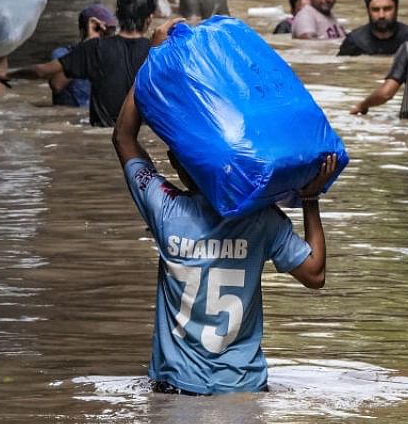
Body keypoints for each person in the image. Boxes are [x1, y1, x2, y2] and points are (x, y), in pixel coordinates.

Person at [112, 86, 335, 395]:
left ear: (178, 164)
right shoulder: (263, 219)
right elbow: (315, 273)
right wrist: (309, 198)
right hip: (244, 389)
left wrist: (151, 68)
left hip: (177, 389)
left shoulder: (165, 209)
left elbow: (123, 137)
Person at [4, 0, 160, 127]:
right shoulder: (157, 53)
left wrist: (7, 74)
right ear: (149, 19)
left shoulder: (95, 48)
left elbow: (41, 72)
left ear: (118, 15)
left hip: (102, 136)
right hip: (140, 137)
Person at [46, 4, 118, 107]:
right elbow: (57, 85)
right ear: (84, 31)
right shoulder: (62, 54)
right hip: (70, 116)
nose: (106, 39)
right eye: (102, 33)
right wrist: (87, 47)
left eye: (110, 33)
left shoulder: (113, 55)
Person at [337, 0, 408, 56]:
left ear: (396, 9)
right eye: (375, 10)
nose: (381, 15)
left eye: (387, 9)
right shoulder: (355, 41)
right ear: (368, 10)